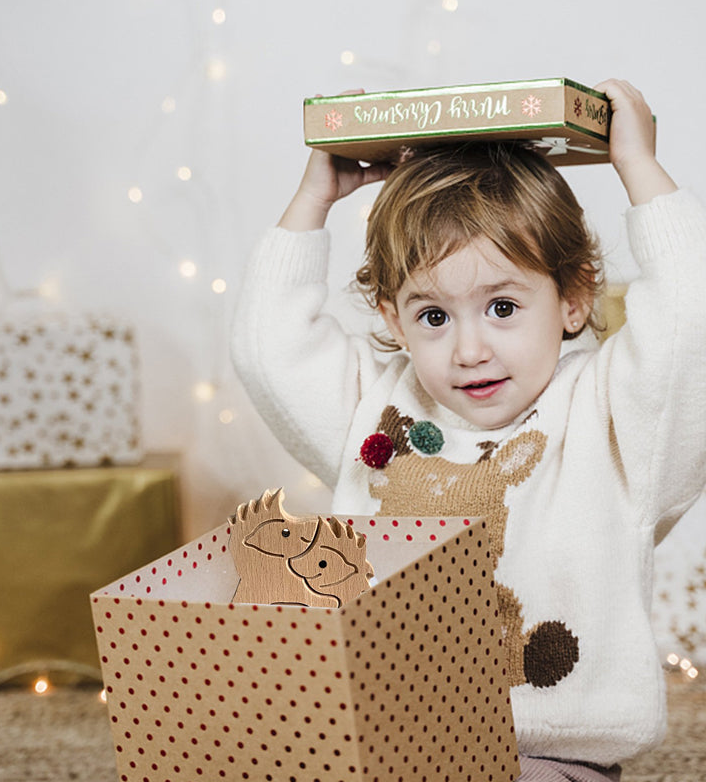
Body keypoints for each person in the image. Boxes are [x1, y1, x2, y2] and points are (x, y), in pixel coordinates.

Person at [230, 79, 706, 780]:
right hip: (394, 747)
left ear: (574, 298)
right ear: (394, 319)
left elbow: (692, 326)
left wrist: (640, 168)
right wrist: (313, 201)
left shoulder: (615, 419)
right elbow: (267, 351)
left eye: (503, 307)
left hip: (548, 754)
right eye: (434, 317)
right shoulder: (378, 407)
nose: (469, 350)